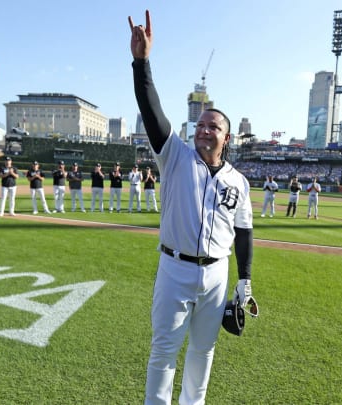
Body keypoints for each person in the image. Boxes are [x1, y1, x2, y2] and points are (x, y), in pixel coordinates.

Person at [130, 11, 254, 404]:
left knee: (204, 352)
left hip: (218, 273)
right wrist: (142, 62)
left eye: (213, 126)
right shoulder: (175, 157)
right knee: (164, 353)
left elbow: (244, 230)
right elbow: (151, 110)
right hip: (175, 268)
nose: (204, 129)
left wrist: (245, 279)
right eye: (200, 124)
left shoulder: (238, 180)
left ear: (226, 136)